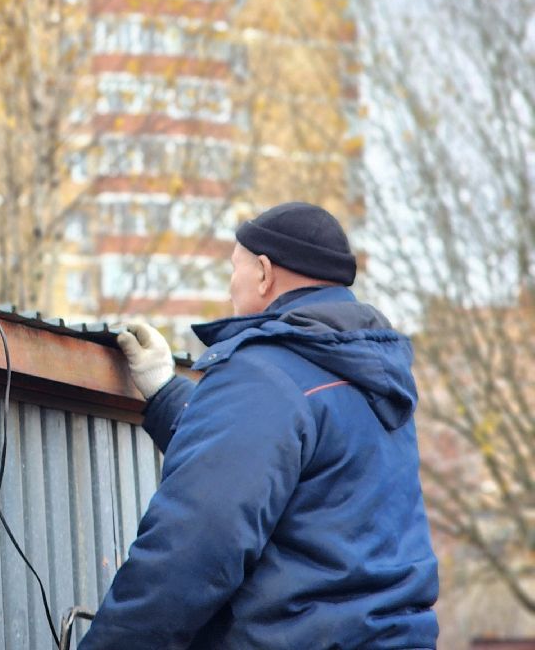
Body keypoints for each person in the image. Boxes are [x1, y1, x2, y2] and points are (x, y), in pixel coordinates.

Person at [82, 201, 439, 650]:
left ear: (264, 273)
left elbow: (193, 549)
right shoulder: (370, 377)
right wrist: (163, 390)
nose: (230, 287)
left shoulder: (262, 374)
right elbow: (265, 461)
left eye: (235, 268)